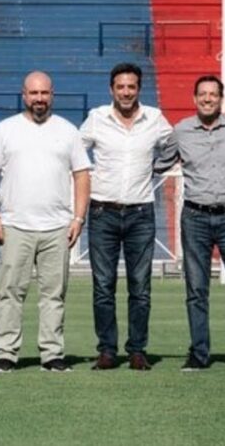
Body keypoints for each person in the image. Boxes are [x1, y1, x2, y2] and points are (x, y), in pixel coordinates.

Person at [0, 71, 91, 373]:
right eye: (33, 93)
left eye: (44, 93)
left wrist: (78, 217)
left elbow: (82, 174)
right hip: (15, 225)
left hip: (57, 227)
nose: (39, 99)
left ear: (52, 95)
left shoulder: (68, 131)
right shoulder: (5, 130)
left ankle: (52, 354)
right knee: (10, 292)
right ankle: (5, 353)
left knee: (53, 294)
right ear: (23, 94)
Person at [156, 75, 225, 371]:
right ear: (194, 98)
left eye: (213, 94)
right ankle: (199, 354)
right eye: (203, 94)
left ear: (221, 98)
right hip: (196, 217)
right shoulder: (181, 130)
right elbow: (160, 163)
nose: (208, 99)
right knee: (197, 289)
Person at [79, 63, 172, 371]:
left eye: (131, 86)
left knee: (140, 286)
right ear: (111, 89)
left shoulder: (155, 119)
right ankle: (107, 350)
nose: (126, 92)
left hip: (141, 213)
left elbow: (175, 146)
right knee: (103, 285)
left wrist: (158, 168)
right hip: (103, 211)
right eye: (121, 87)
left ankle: (137, 349)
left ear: (138, 89)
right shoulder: (96, 119)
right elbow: (75, 153)